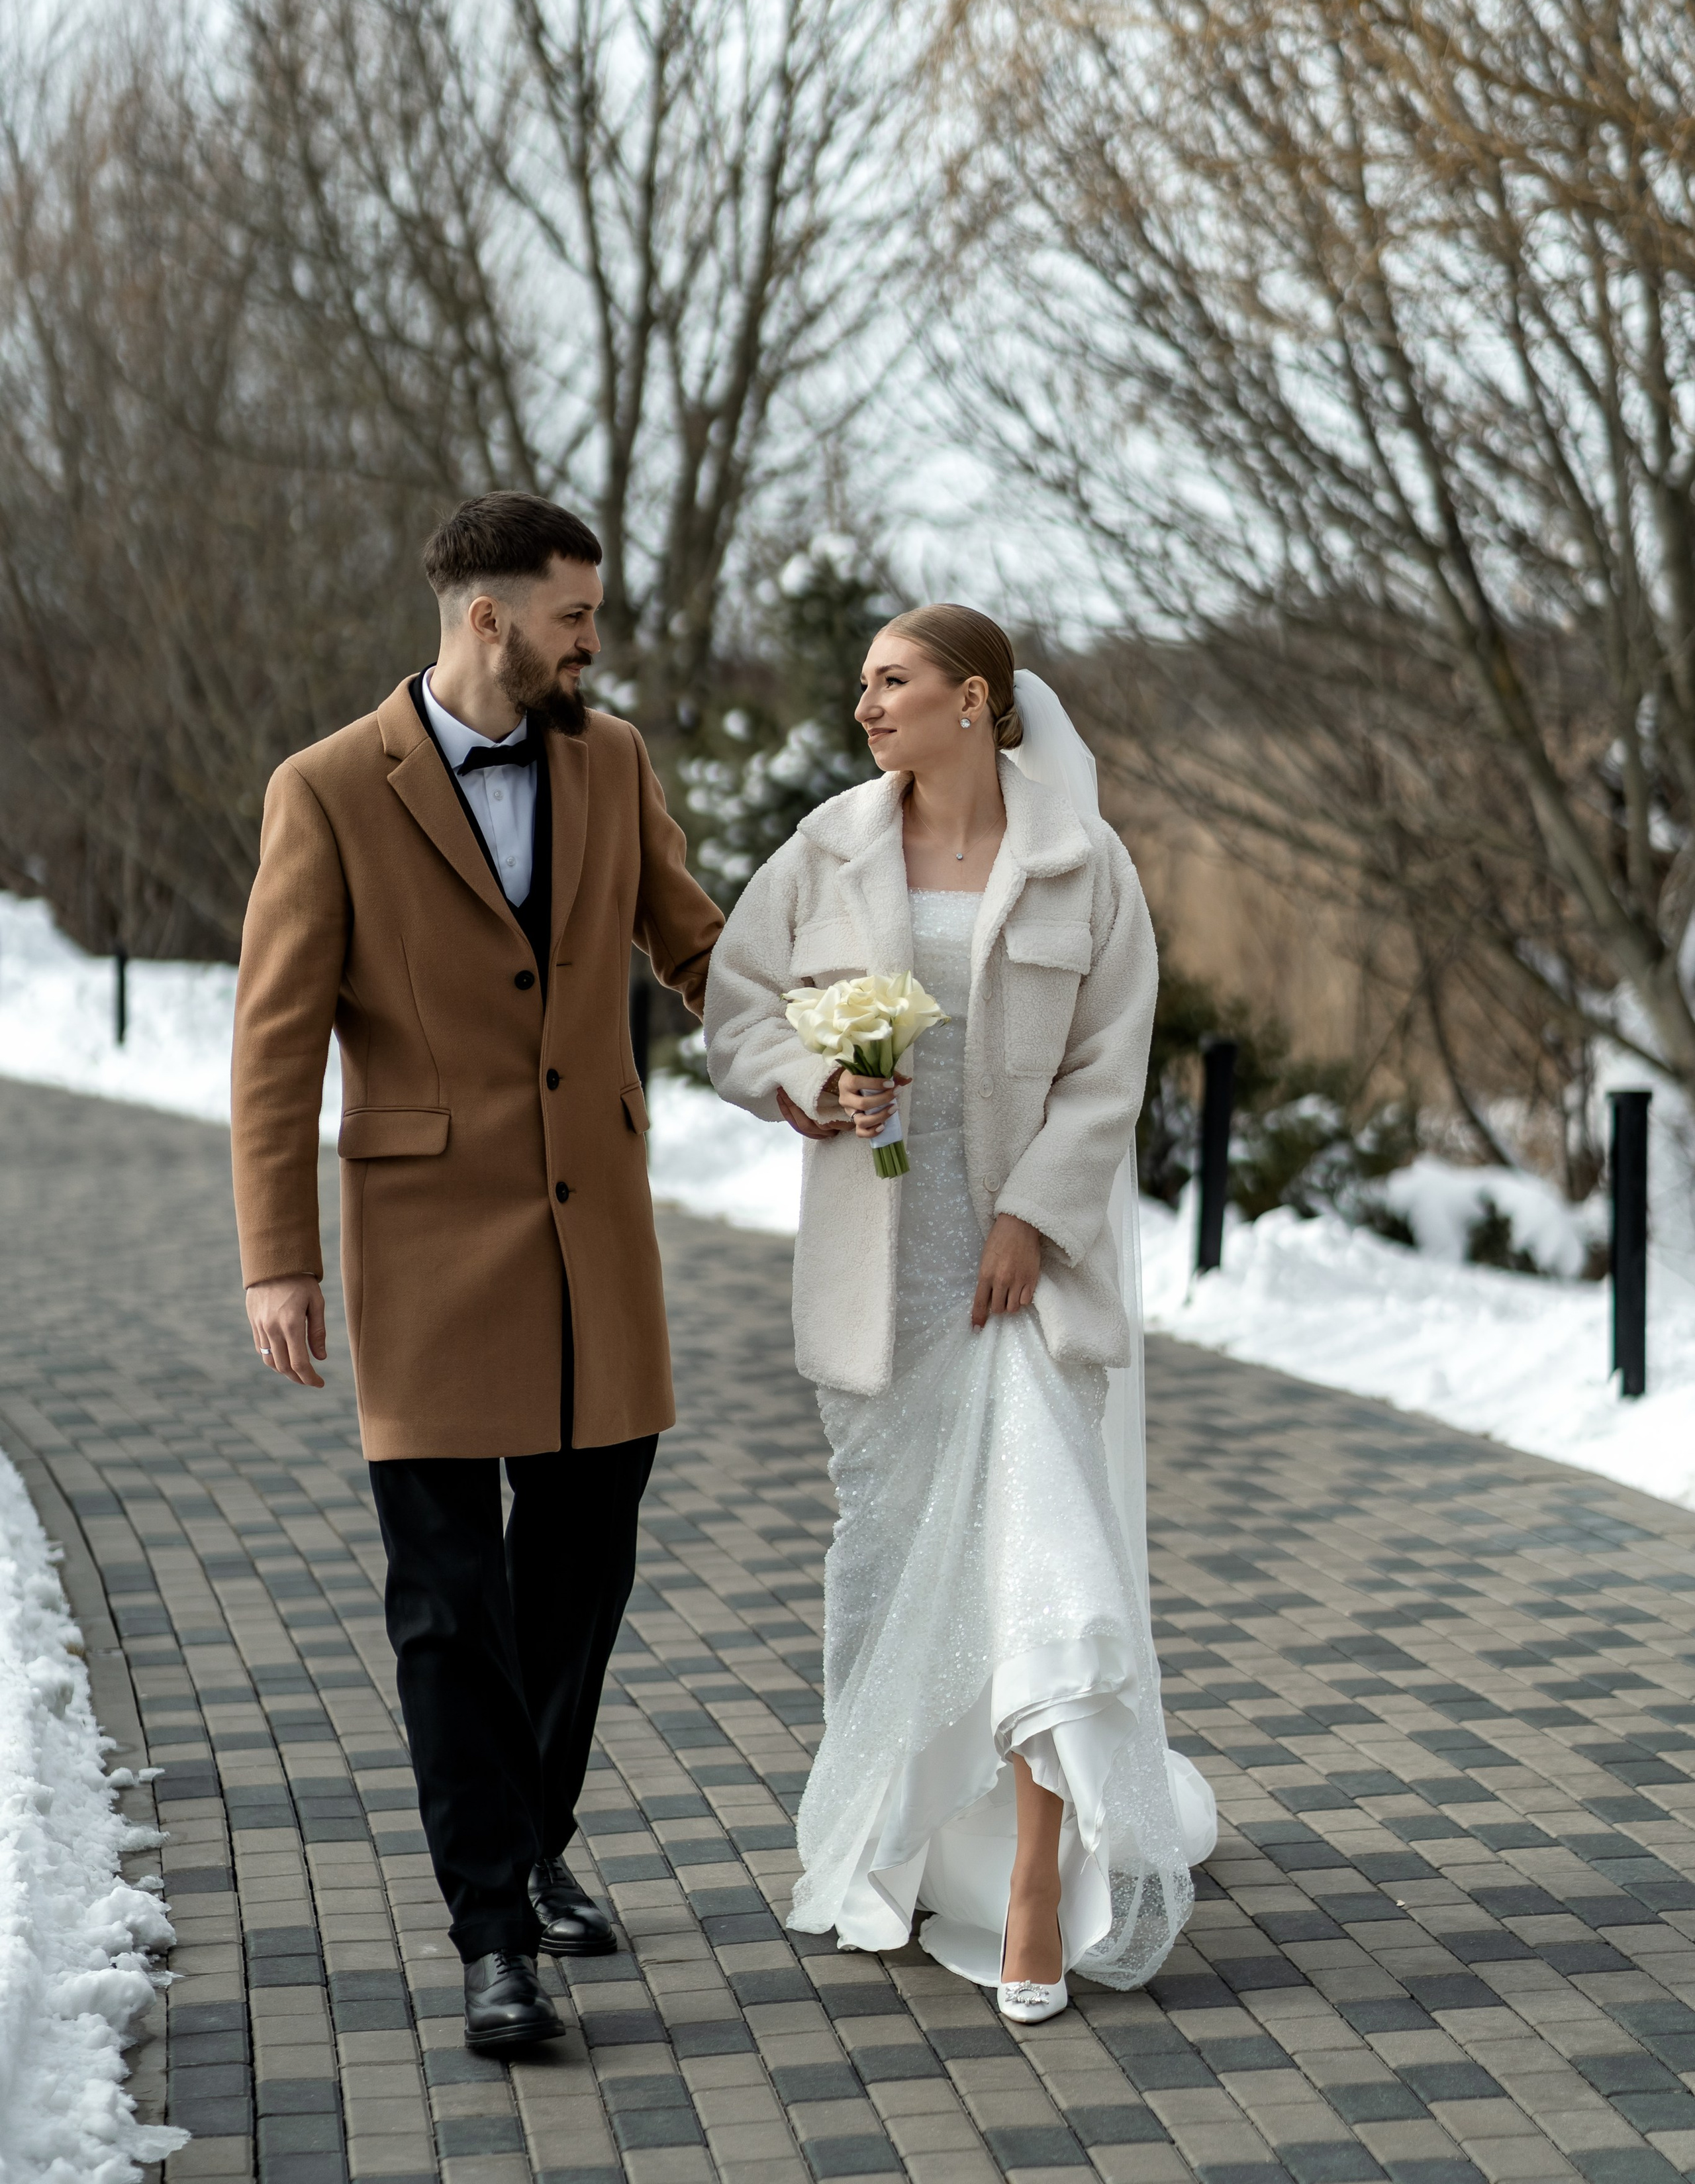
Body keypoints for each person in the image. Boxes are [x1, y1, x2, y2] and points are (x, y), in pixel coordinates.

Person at [231, 492, 722, 2053]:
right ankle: (495, 1932)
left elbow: (694, 946)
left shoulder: (613, 756)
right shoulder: (322, 791)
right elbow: (274, 1047)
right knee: (448, 1611)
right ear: (488, 618)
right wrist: (277, 1264)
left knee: (578, 1584)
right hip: (425, 1253)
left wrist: (815, 1058)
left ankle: (528, 1834)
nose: (594, 643)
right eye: (573, 617)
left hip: (599, 1248)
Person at [704, 605, 1215, 2022]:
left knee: (1042, 1561)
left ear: (971, 699)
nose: (863, 705)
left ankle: (1041, 1886)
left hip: (1023, 1280)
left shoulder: (1080, 861)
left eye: (891, 681)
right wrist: (819, 1084)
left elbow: (1111, 1066)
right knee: (884, 1565)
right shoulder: (824, 850)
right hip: (878, 1285)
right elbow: (736, 1012)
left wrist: (1028, 1219)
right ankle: (896, 1848)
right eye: (861, 682)